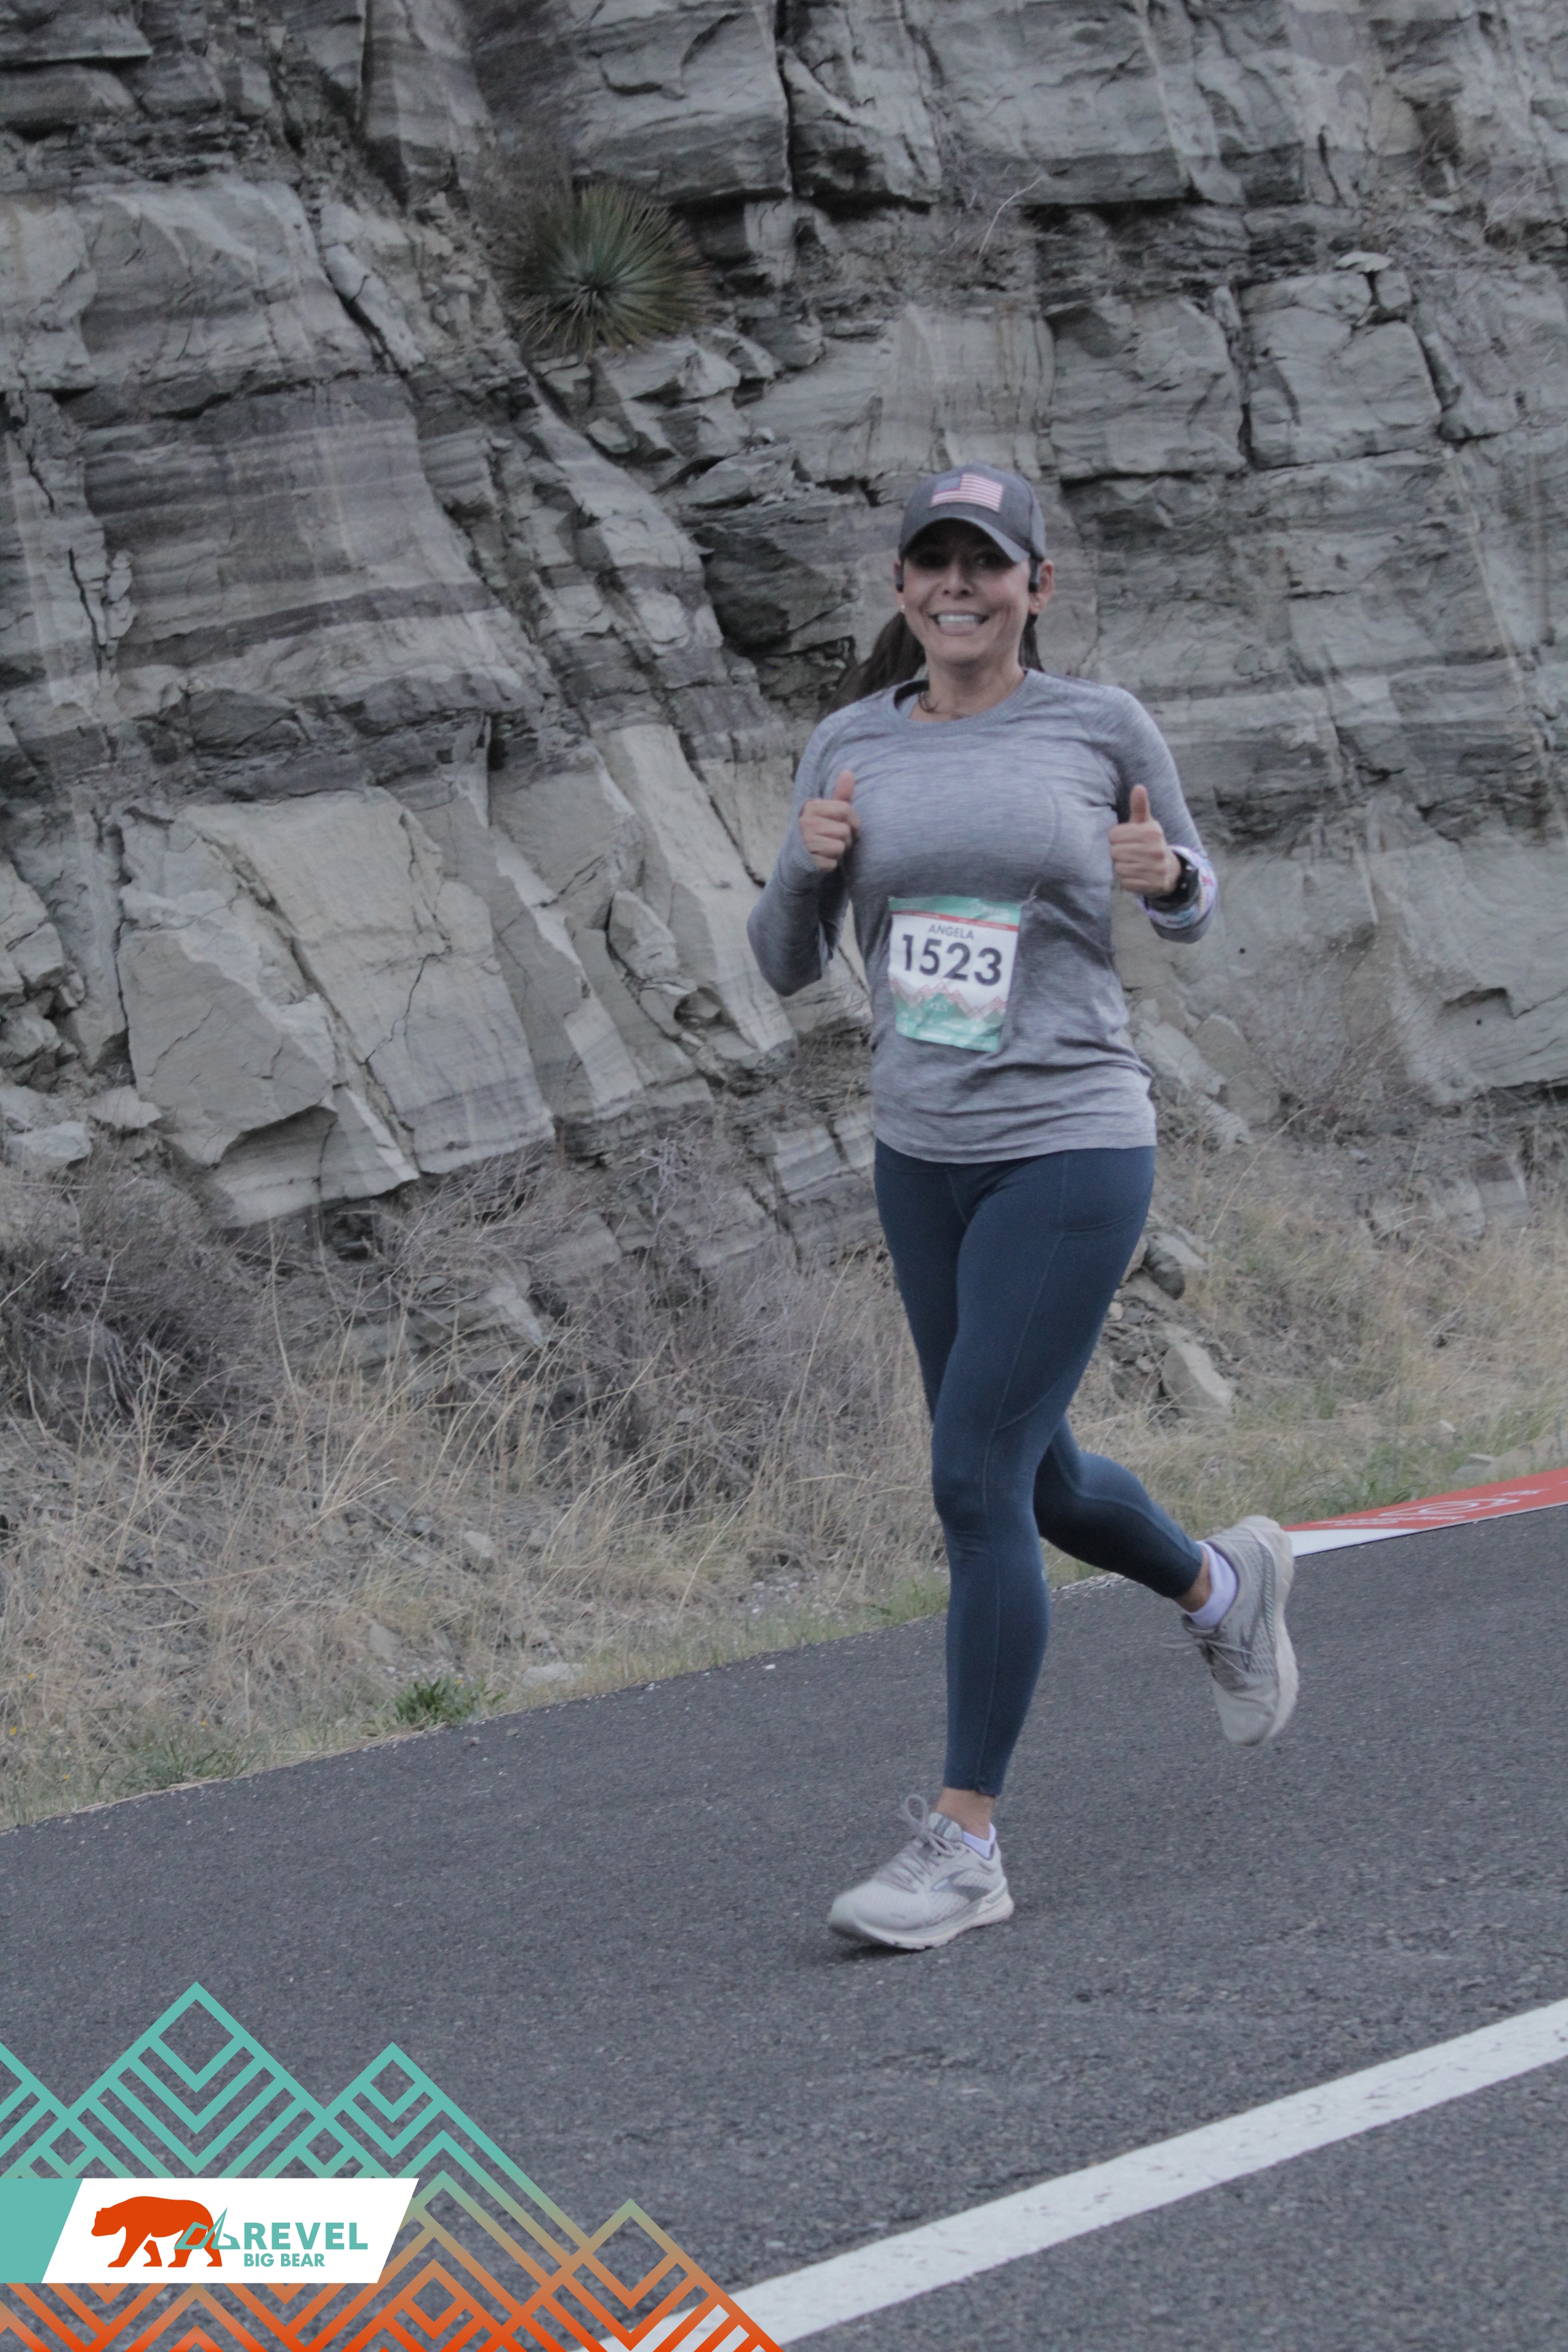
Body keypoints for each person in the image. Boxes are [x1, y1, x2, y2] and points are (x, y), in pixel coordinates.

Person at [746, 463, 1298, 1954]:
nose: (958, 587)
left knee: (972, 1481)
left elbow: (1195, 898)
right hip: (922, 1153)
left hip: (1070, 1141)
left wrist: (1167, 875)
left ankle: (965, 1845)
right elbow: (785, 962)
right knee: (1036, 1479)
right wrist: (801, 870)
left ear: (1034, 588)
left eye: (986, 564)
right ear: (902, 586)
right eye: (933, 563)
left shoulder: (1097, 726)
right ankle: (1222, 1584)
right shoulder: (851, 744)